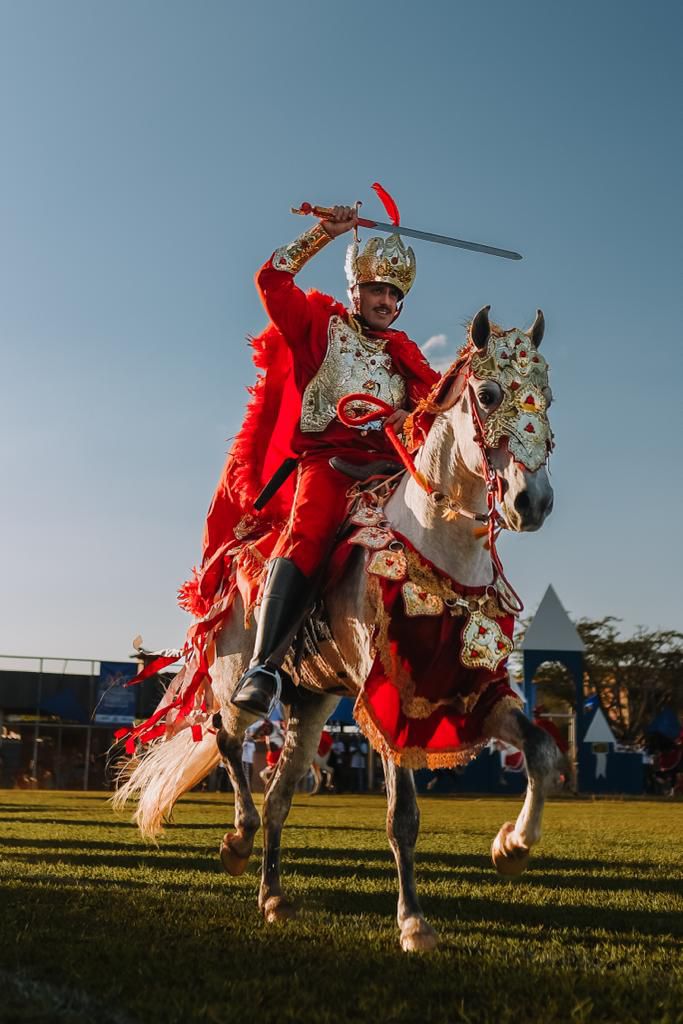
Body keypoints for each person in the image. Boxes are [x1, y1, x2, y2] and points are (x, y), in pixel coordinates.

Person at [231, 204, 439, 716]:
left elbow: (436, 409)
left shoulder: (404, 353)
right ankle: (263, 667)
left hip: (392, 473)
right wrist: (325, 233)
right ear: (356, 292)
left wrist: (409, 414)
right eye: (377, 290)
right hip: (330, 466)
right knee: (310, 533)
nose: (387, 301)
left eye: (395, 294)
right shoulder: (320, 327)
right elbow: (272, 280)